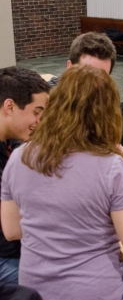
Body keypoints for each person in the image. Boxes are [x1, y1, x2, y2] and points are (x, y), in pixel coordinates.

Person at [1, 64, 123, 300]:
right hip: (94, 291)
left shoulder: (19, 157)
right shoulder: (111, 166)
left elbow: (12, 230)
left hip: (32, 292)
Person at [0, 67, 50, 285]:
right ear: (9, 106)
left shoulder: (10, 141)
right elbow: (10, 234)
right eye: (36, 112)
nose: (39, 121)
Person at [48, 32, 123, 162]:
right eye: (86, 73)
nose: (94, 83)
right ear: (69, 68)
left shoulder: (105, 102)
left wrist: (113, 152)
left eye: (102, 77)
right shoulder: (45, 101)